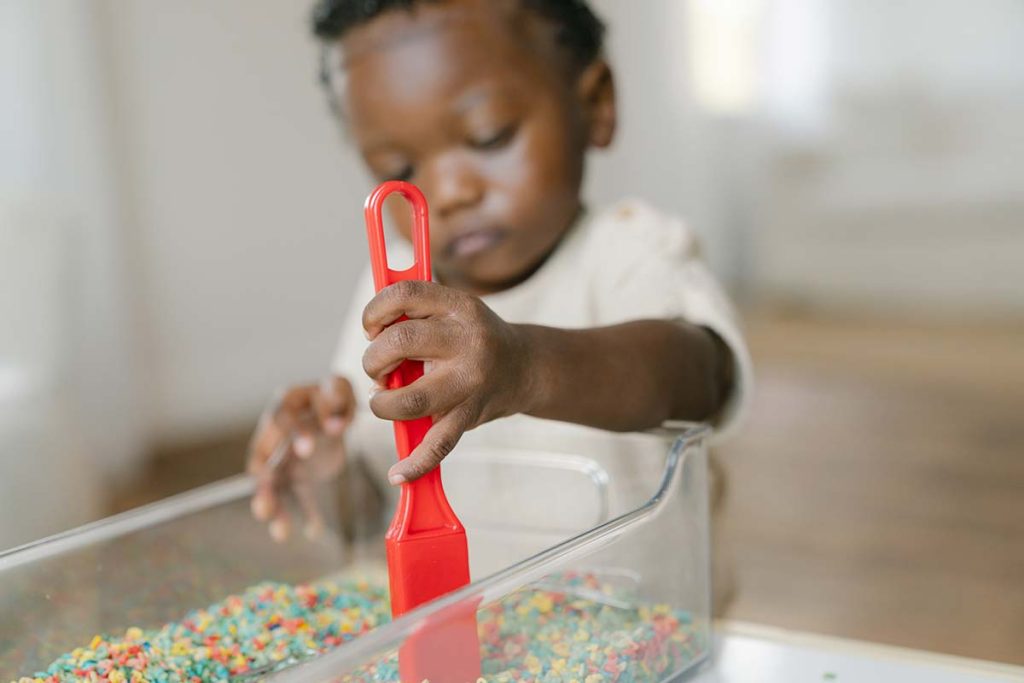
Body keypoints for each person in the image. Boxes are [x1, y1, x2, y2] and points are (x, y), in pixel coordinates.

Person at [247, 0, 752, 549]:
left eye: (489, 137)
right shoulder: (389, 292)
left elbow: (700, 377)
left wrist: (525, 367)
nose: (449, 192)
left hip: (641, 628)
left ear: (595, 104)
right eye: (399, 169)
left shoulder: (631, 249)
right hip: (468, 633)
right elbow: (376, 509)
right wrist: (328, 468)